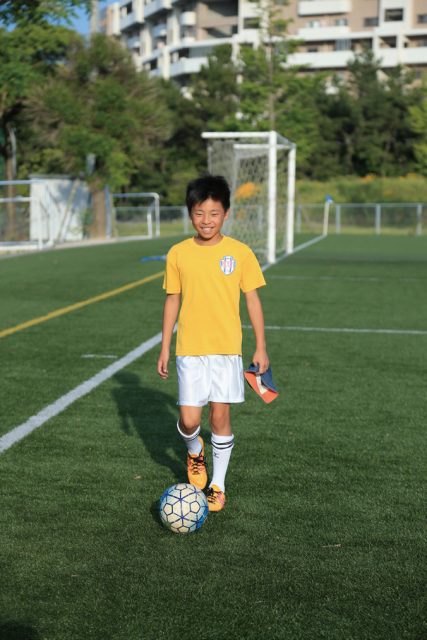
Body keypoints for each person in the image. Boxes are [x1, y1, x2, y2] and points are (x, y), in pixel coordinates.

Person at [157, 175, 269, 512]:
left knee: (220, 417)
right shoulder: (178, 253)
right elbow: (172, 300)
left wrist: (261, 346)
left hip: (226, 349)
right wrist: (165, 346)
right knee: (190, 421)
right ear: (190, 213)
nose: (206, 220)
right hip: (190, 349)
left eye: (214, 213)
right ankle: (195, 451)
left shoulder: (240, 252)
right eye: (199, 213)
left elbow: (252, 300)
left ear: (226, 213)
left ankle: (217, 485)